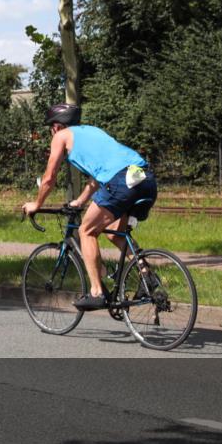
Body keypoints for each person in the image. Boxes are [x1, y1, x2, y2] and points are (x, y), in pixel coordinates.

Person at [21, 103, 158, 310]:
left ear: (57, 126)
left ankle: (96, 292)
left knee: (86, 231)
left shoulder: (61, 136)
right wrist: (80, 201)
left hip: (121, 181)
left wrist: (37, 204)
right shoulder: (92, 131)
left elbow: (49, 178)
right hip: (144, 178)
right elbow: (97, 178)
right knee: (115, 234)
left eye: (51, 128)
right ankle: (148, 277)